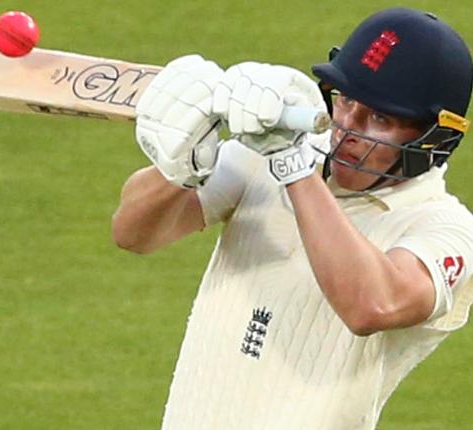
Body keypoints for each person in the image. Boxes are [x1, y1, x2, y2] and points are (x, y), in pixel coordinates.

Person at [112, 7, 473, 430]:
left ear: (435, 138)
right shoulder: (273, 152)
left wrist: (292, 165)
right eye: (346, 101)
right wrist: (183, 160)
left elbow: (373, 304)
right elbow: (132, 232)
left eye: (380, 118)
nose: (348, 129)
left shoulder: (448, 231)